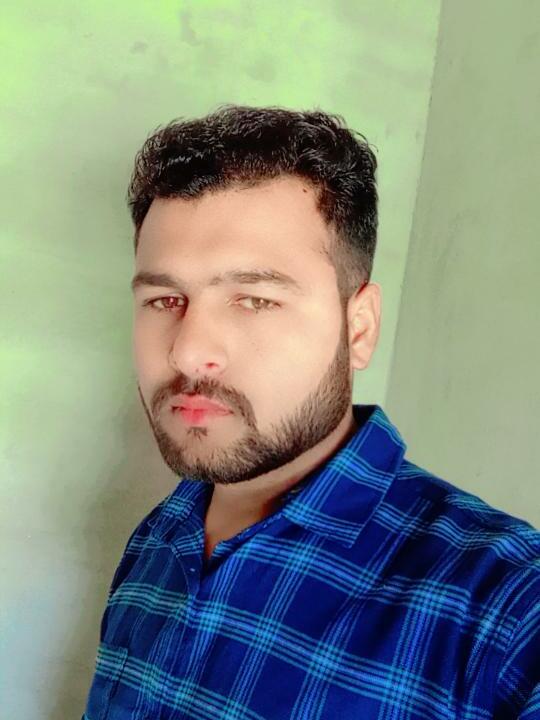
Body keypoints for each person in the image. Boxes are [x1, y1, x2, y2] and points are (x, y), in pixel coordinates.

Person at [82, 105, 539, 720]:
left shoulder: (507, 606)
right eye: (165, 299)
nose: (187, 351)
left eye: (254, 299)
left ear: (359, 328)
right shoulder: (160, 537)